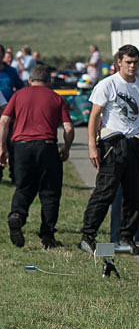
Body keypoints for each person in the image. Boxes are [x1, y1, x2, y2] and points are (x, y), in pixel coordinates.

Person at [78, 45, 139, 256]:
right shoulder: (107, 85)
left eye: (135, 62)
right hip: (112, 146)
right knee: (105, 193)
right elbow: (94, 118)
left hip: (135, 145)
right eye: (128, 62)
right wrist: (92, 147)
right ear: (119, 62)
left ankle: (127, 238)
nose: (132, 66)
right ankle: (87, 237)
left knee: (135, 196)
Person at [0, 65, 74, 249]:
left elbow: (3, 121)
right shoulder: (56, 97)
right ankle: (47, 237)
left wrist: (2, 148)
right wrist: (66, 147)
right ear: (49, 81)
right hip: (46, 147)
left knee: (24, 186)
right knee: (50, 192)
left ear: (29, 80)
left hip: (21, 148)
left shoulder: (18, 95)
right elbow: (69, 128)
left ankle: (17, 215)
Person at [0, 44, 25, 184]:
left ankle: (15, 175)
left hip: (10, 114)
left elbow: (21, 88)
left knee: (13, 144)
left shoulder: (11, 71)